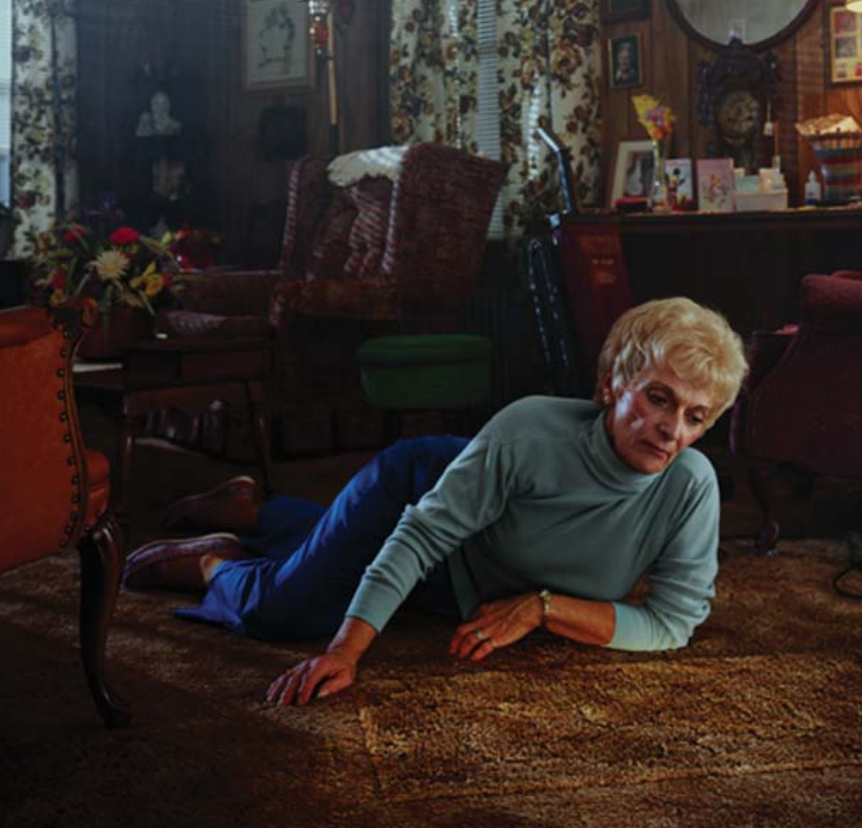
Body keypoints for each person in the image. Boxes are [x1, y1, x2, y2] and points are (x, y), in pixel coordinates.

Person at [122, 297, 749, 706]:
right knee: (284, 609)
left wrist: (543, 608)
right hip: (423, 488)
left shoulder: (689, 486)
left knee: (335, 555)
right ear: (613, 384)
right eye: (659, 398)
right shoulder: (529, 431)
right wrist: (345, 652)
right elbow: (421, 536)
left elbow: (672, 624)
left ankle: (253, 508)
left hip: (474, 573)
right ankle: (216, 559)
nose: (672, 430)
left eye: (696, 416)